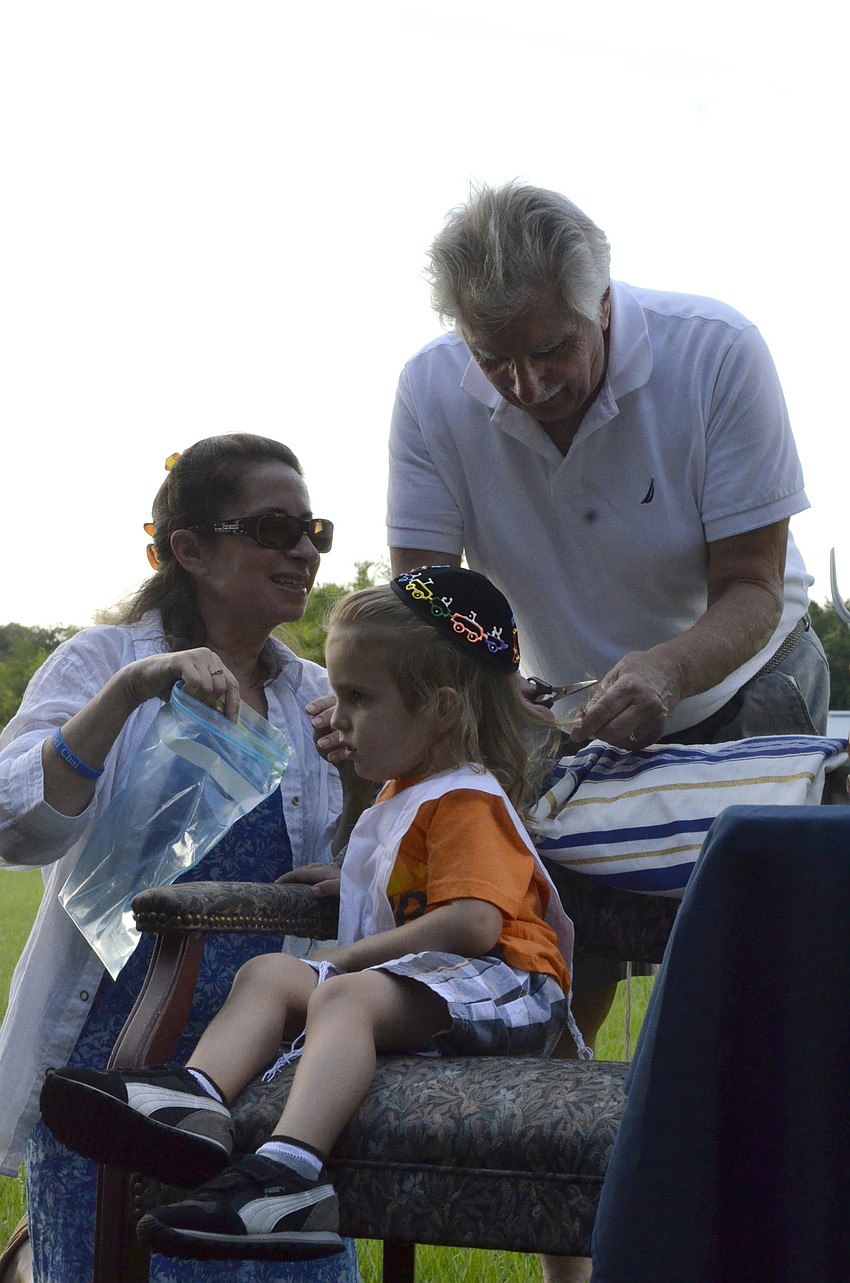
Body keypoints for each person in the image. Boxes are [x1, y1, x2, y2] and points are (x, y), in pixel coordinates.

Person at [37, 566, 581, 1262]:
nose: (338, 713)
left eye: (358, 696)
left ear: (443, 708)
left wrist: (350, 954)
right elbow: (418, 889)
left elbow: (473, 922)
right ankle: (195, 1100)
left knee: (342, 995)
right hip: (442, 985)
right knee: (272, 972)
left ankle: (290, 1175)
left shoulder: (466, 798)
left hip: (509, 990)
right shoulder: (408, 793)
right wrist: (354, 880)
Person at [0, 434, 369, 1283]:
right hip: (111, 1054)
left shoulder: (319, 693)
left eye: (315, 529)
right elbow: (18, 828)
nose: (305, 550)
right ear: (189, 550)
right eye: (277, 527)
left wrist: (357, 783)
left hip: (265, 1063)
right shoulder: (102, 663)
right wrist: (129, 694)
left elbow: (355, 875)